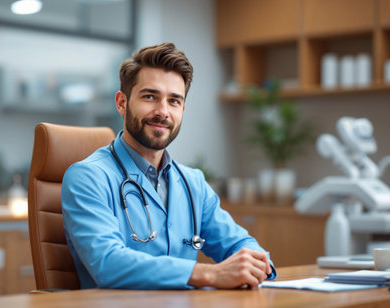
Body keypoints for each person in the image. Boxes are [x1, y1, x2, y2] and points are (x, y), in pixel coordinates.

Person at [61, 42, 276, 290]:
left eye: (174, 101)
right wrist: (208, 274)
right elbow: (108, 264)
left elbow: (238, 243)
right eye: (150, 96)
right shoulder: (88, 177)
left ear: (182, 109)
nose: (162, 111)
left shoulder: (192, 182)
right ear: (122, 103)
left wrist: (255, 261)